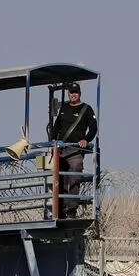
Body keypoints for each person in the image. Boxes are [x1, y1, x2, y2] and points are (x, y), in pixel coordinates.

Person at [46, 82, 97, 218]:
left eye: (76, 92)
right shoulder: (64, 108)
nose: (73, 95)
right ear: (68, 93)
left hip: (75, 150)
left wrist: (86, 139)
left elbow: (93, 127)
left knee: (74, 175)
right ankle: (59, 211)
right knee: (59, 178)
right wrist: (53, 141)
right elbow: (56, 127)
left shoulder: (86, 109)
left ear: (80, 93)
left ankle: (71, 210)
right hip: (61, 149)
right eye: (71, 92)